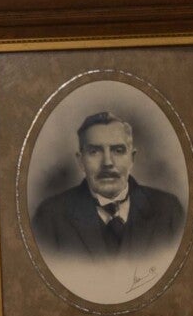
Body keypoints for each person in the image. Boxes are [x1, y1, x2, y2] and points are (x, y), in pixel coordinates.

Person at [30, 109, 184, 290]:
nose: (108, 162)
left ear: (132, 158)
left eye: (118, 150)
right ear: (80, 161)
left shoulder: (169, 211)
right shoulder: (49, 217)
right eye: (95, 151)